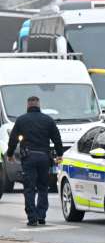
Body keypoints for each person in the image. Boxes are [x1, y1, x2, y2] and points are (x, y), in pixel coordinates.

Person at [7, 96, 63, 226]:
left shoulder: (21, 120)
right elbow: (57, 138)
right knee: (43, 187)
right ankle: (41, 215)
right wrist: (59, 154)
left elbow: (13, 139)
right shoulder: (48, 120)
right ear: (39, 105)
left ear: (28, 105)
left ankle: (32, 218)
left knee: (29, 188)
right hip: (44, 158)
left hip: (28, 158)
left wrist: (10, 154)